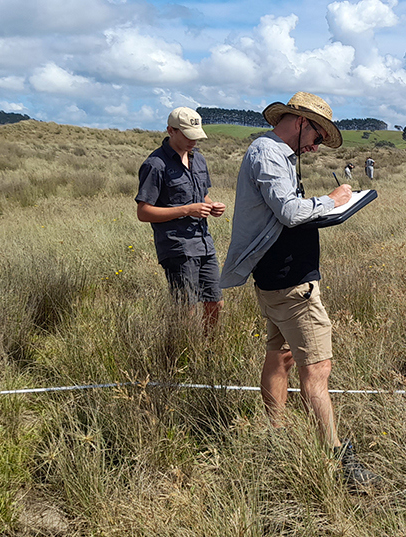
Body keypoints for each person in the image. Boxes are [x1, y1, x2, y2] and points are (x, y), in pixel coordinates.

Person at [218, 92, 375, 488]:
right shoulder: (268, 153)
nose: (317, 145)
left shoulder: (274, 153)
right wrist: (334, 199)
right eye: (318, 135)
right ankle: (338, 459)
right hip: (291, 282)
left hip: (280, 277)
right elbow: (288, 212)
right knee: (317, 368)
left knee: (281, 353)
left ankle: (277, 435)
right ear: (300, 121)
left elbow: (284, 208)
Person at [135, 107, 226, 333]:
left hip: (204, 243)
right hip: (177, 247)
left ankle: (208, 352)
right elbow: (144, 212)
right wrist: (187, 210)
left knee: (216, 303)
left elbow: (201, 195)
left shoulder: (199, 160)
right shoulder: (155, 165)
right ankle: (184, 352)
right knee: (186, 308)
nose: (193, 141)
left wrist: (211, 205)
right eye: (187, 136)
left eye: (196, 136)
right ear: (170, 131)